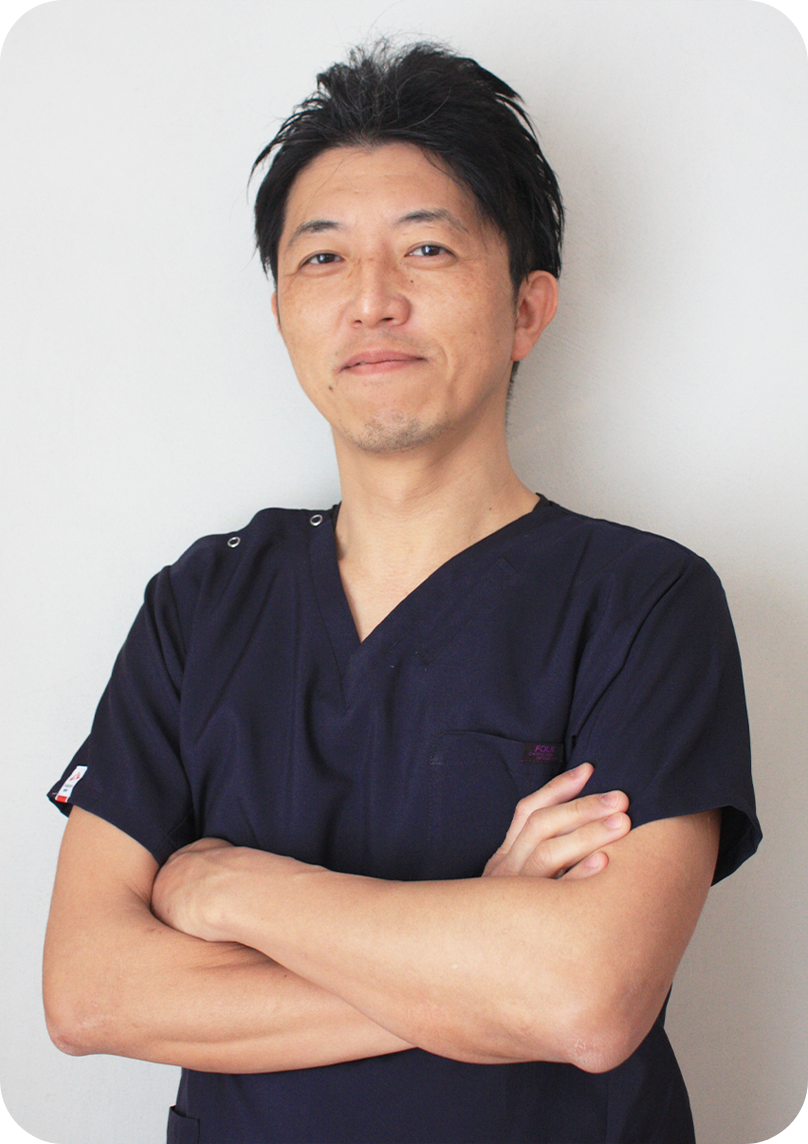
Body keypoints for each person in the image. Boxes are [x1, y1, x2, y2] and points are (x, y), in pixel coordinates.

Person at [43, 41, 760, 1144]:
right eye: (323, 258)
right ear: (282, 311)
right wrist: (486, 949)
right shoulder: (201, 603)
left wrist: (228, 891)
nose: (372, 301)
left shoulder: (643, 602)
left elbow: (587, 999)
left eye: (426, 248)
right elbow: (90, 993)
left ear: (526, 309)